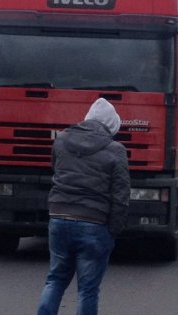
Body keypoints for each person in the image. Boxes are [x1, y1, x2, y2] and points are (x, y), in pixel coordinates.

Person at [37, 98, 130, 315]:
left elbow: (55, 169)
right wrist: (113, 230)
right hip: (94, 223)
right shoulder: (116, 150)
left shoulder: (60, 140)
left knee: (55, 280)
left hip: (59, 217)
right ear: (111, 125)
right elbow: (121, 195)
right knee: (87, 290)